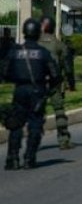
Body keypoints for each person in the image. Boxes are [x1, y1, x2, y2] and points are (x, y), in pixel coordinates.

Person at [3, 19, 61, 169]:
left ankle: (13, 157)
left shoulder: (15, 51)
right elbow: (55, 75)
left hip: (20, 90)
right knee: (35, 125)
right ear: (37, 33)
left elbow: (4, 72)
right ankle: (30, 157)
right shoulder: (43, 53)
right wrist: (49, 90)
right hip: (37, 91)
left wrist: (15, 78)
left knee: (16, 124)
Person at [37, 17, 73, 149]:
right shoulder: (58, 44)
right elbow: (67, 65)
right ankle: (63, 140)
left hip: (38, 84)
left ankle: (34, 141)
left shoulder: (34, 43)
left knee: (37, 113)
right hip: (54, 83)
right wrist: (70, 83)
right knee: (59, 110)